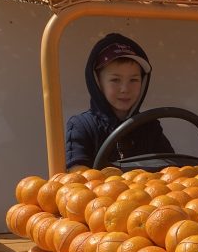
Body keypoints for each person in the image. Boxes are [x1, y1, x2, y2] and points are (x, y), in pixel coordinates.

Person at [65, 33, 174, 169]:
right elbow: (78, 179)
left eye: (133, 80)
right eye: (115, 80)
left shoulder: (150, 127)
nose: (124, 89)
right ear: (98, 83)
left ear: (143, 82)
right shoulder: (82, 127)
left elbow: (171, 173)